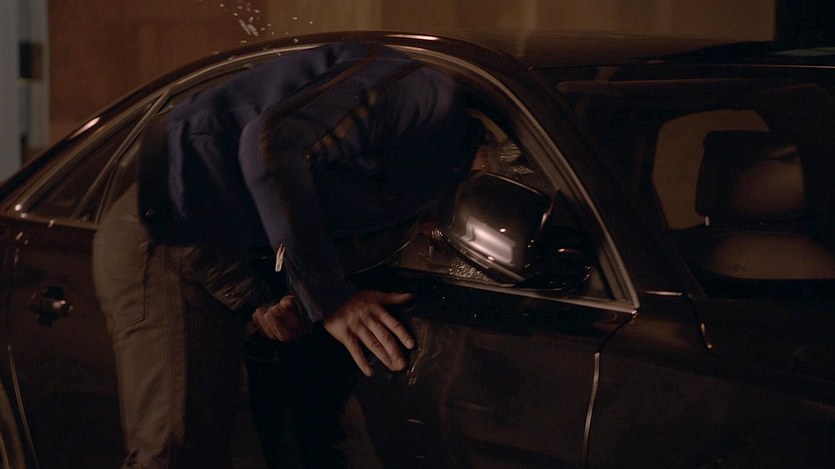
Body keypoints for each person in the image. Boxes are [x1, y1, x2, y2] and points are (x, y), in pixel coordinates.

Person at [92, 40, 485, 468]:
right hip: (166, 226)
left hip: (214, 237)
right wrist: (331, 300)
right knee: (175, 455)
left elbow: (298, 212)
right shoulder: (425, 93)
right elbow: (269, 145)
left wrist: (261, 302)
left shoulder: (424, 172)